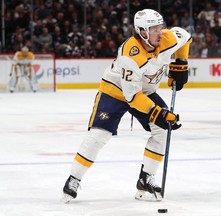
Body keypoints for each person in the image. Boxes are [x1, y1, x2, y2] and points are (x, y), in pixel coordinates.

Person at [61, 9, 192, 203]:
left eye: (160, 27)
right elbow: (133, 98)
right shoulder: (130, 55)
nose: (160, 32)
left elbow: (186, 37)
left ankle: (145, 178)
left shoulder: (167, 38)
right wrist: (158, 113)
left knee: (163, 130)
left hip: (144, 92)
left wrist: (181, 64)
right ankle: (73, 179)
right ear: (142, 32)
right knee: (98, 135)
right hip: (116, 92)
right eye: (154, 29)